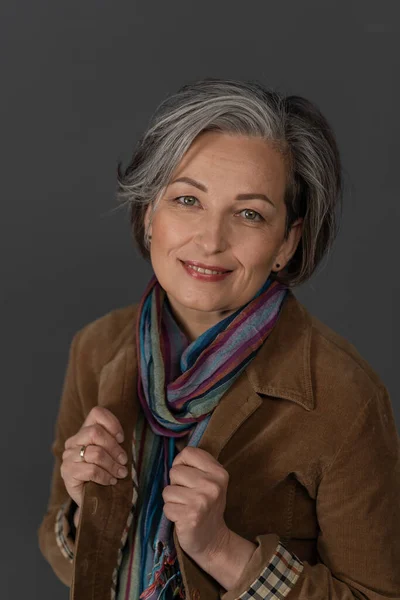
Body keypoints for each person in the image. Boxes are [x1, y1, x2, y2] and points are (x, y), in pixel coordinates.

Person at [38, 78, 400, 600]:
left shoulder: (347, 396)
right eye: (187, 199)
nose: (210, 240)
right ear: (148, 215)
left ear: (286, 243)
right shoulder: (96, 348)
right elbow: (61, 550)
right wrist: (83, 508)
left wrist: (222, 550)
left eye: (249, 213)